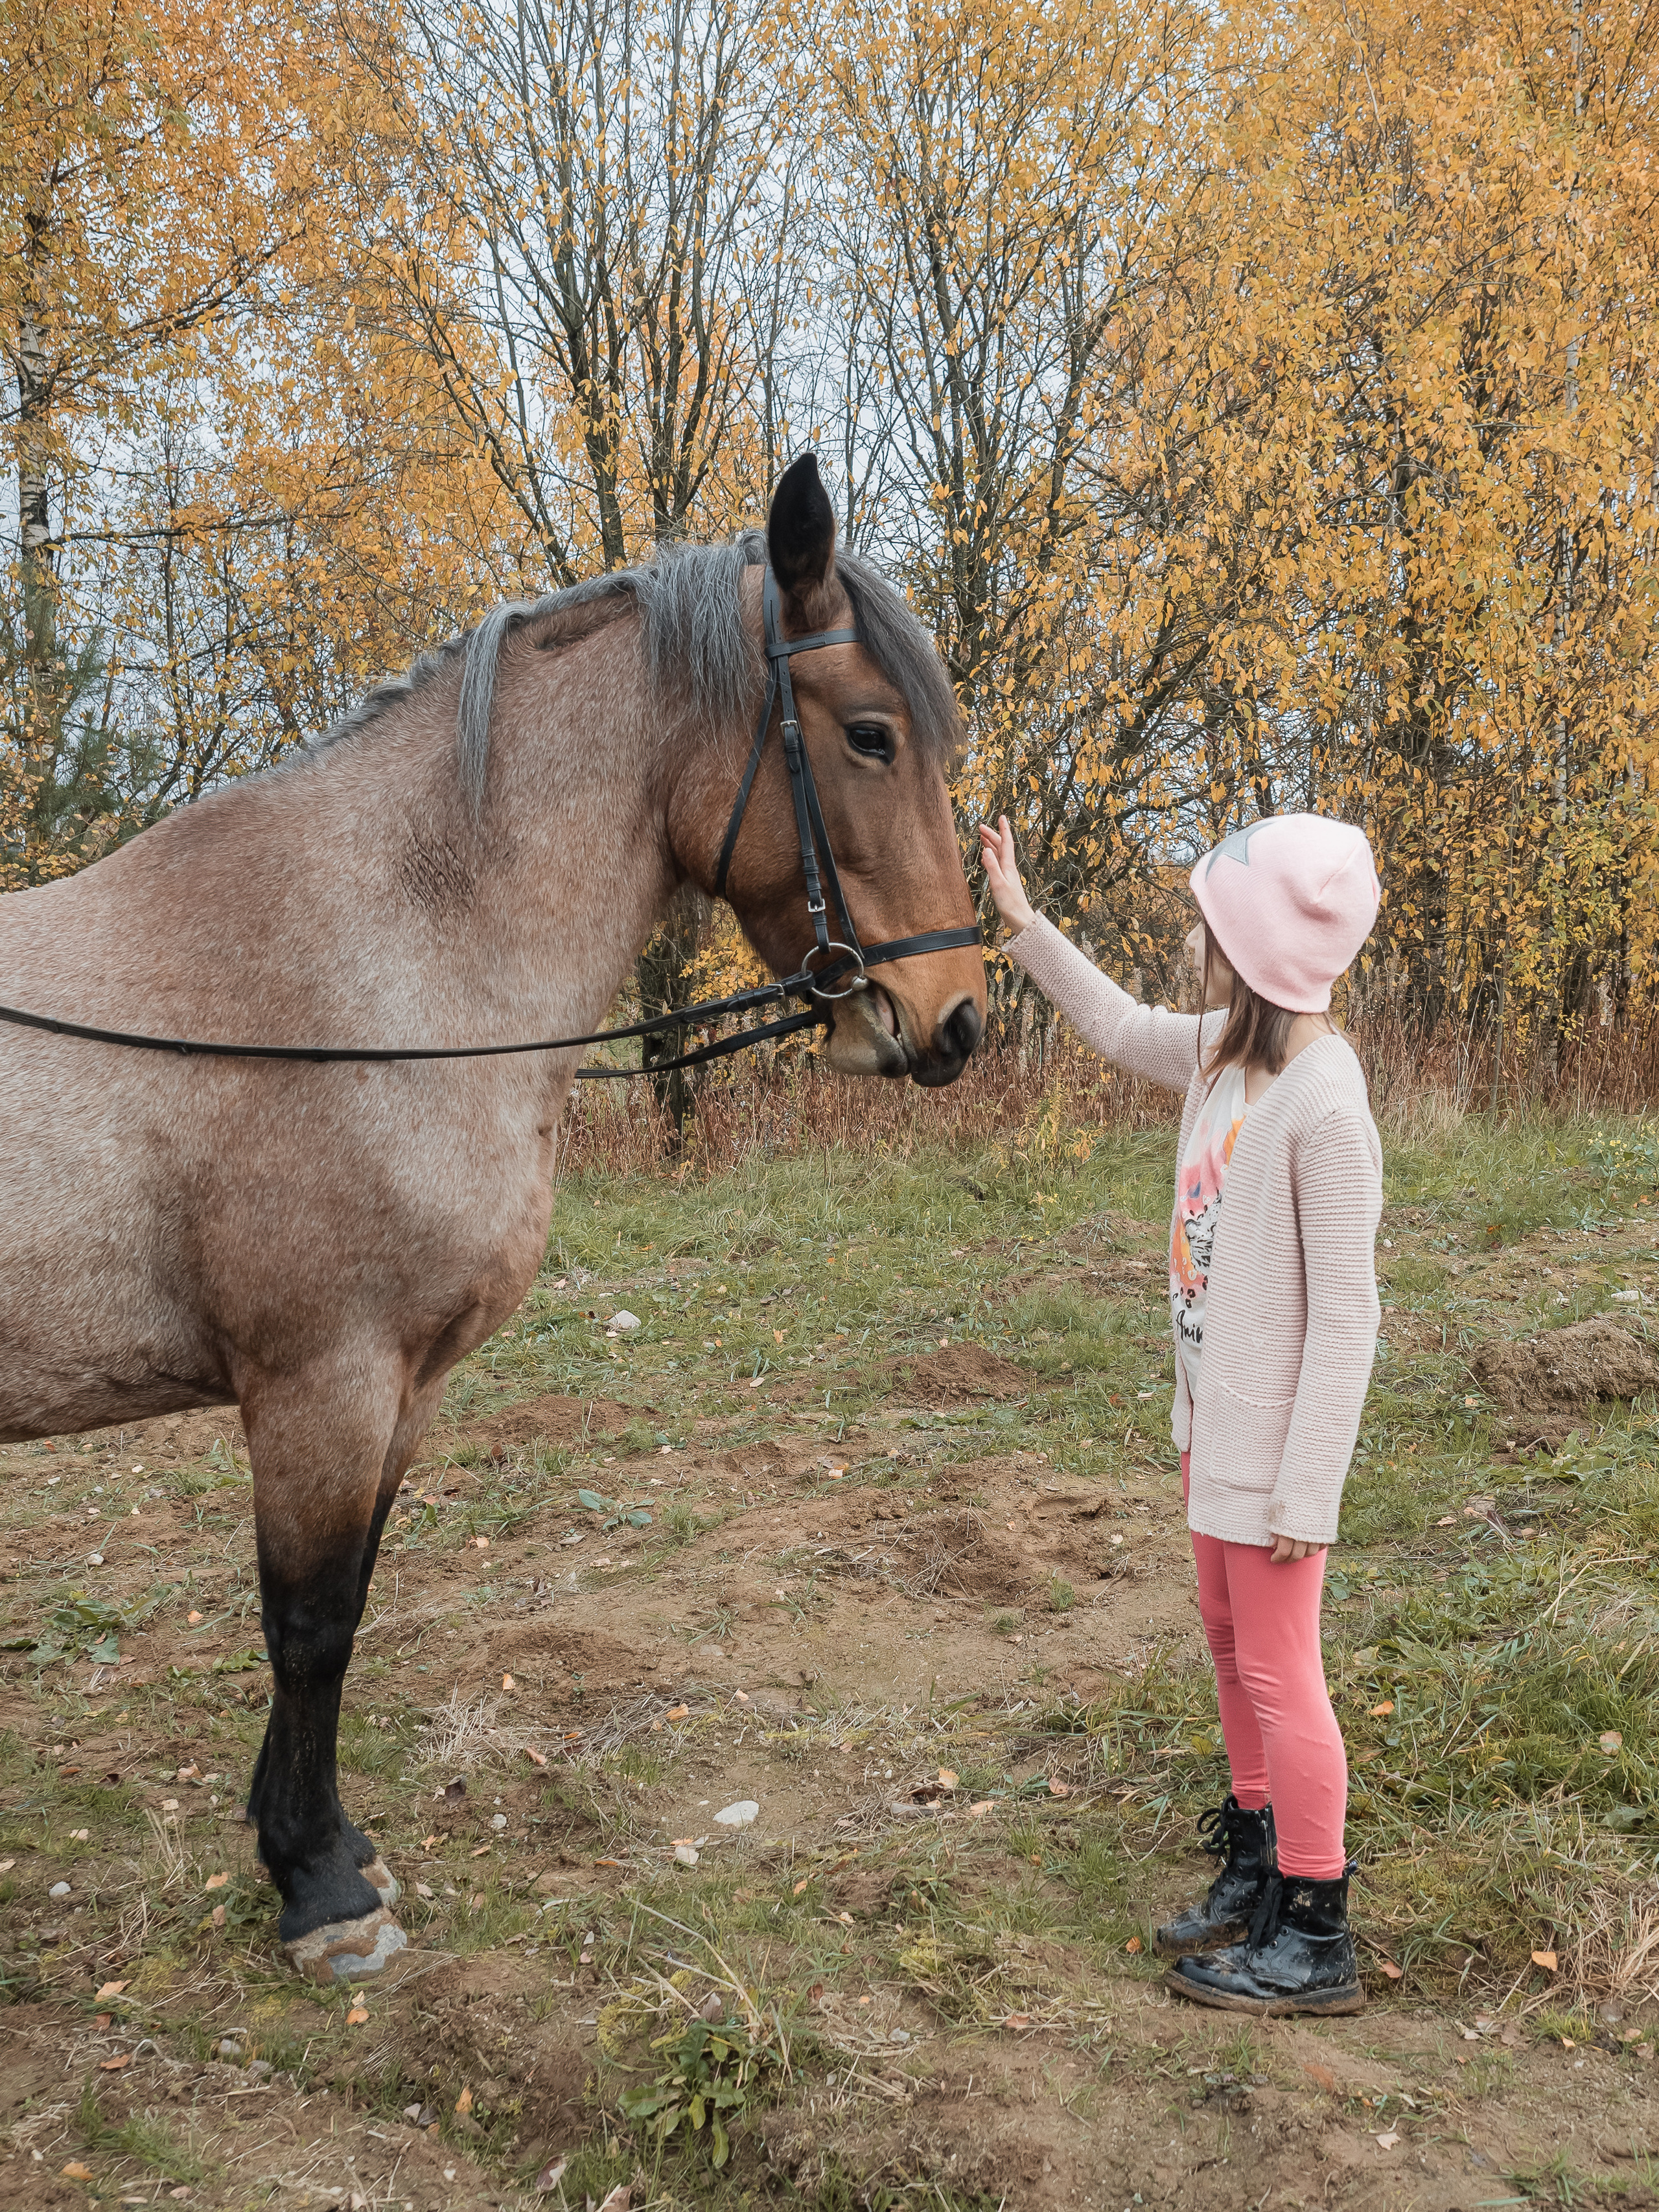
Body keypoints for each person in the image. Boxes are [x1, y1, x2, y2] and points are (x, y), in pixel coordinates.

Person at [978, 811, 1383, 2016]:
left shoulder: (1325, 1106)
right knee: (1228, 1642)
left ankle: (1315, 1922)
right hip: (1214, 1427)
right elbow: (1111, 1023)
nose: (1197, 944)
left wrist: (1309, 1489)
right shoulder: (1221, 1053)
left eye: (1212, 927)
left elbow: (1350, 1319)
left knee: (1280, 1665)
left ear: (1256, 952)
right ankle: (1256, 1858)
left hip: (1273, 1463)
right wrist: (1025, 923)